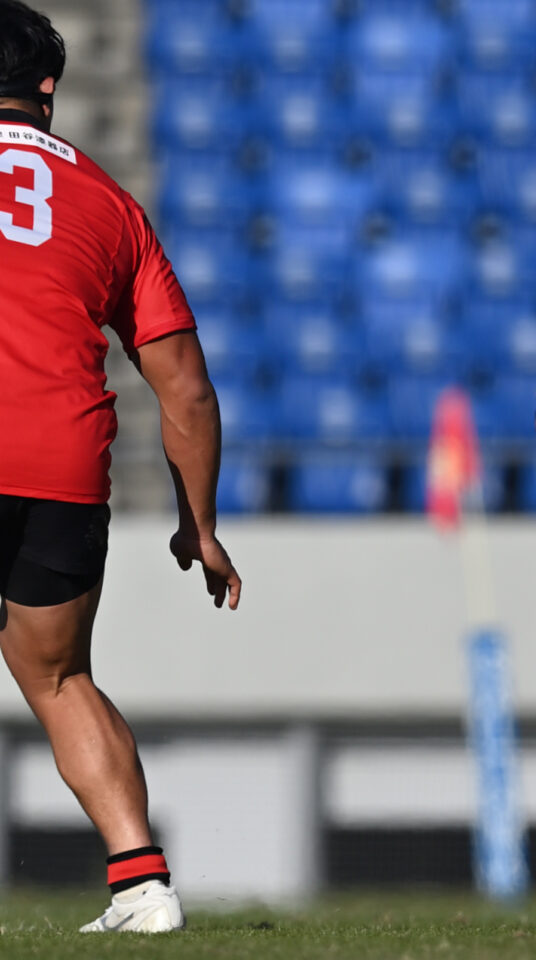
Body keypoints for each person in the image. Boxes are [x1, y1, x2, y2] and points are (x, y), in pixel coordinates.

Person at [0, 0, 241, 933]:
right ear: (47, 90)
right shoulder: (108, 201)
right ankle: (143, 887)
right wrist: (201, 524)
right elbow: (186, 389)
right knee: (61, 681)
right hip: (62, 463)